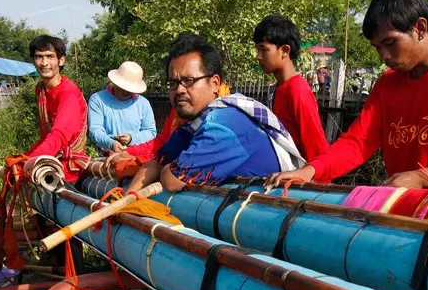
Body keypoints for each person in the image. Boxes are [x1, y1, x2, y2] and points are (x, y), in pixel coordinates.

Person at [269, 0, 428, 202]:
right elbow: (357, 143)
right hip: (402, 210)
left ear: (420, 28)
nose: (384, 57)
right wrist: (311, 170)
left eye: (390, 43)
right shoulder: (387, 84)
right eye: (378, 48)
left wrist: (427, 177)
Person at [126, 33, 304, 194]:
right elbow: (155, 162)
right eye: (173, 83)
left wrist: (167, 169)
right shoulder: (194, 124)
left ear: (214, 83)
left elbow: (172, 181)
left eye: (189, 81)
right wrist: (128, 197)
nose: (179, 90)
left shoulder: (223, 125)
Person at [254, 15, 329, 162]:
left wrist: (316, 183)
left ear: (285, 51)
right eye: (257, 49)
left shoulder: (298, 91)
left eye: (264, 49)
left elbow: (317, 149)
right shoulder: (279, 88)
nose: (258, 56)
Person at [26, 35, 89, 180]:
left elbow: (60, 135)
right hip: (50, 159)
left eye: (50, 56)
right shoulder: (41, 89)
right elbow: (46, 135)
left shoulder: (68, 92)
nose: (44, 63)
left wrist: (32, 159)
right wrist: (27, 156)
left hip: (68, 168)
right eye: (39, 57)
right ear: (33, 61)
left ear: (61, 60)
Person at [87, 61, 156, 153]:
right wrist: (111, 143)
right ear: (115, 83)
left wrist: (131, 138)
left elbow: (150, 132)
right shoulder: (98, 100)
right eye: (123, 88)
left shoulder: (143, 103)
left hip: (136, 154)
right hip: (106, 155)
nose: (126, 92)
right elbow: (95, 130)